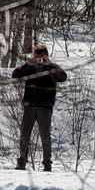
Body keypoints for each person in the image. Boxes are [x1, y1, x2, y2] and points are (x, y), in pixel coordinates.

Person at [11, 43, 67, 171]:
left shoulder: (52, 68)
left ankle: (47, 164)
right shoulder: (30, 68)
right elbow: (15, 75)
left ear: (46, 55)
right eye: (37, 55)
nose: (40, 59)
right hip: (29, 106)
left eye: (42, 55)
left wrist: (50, 65)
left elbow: (63, 77)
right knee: (25, 135)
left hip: (45, 107)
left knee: (45, 137)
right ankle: (22, 162)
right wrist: (28, 64)